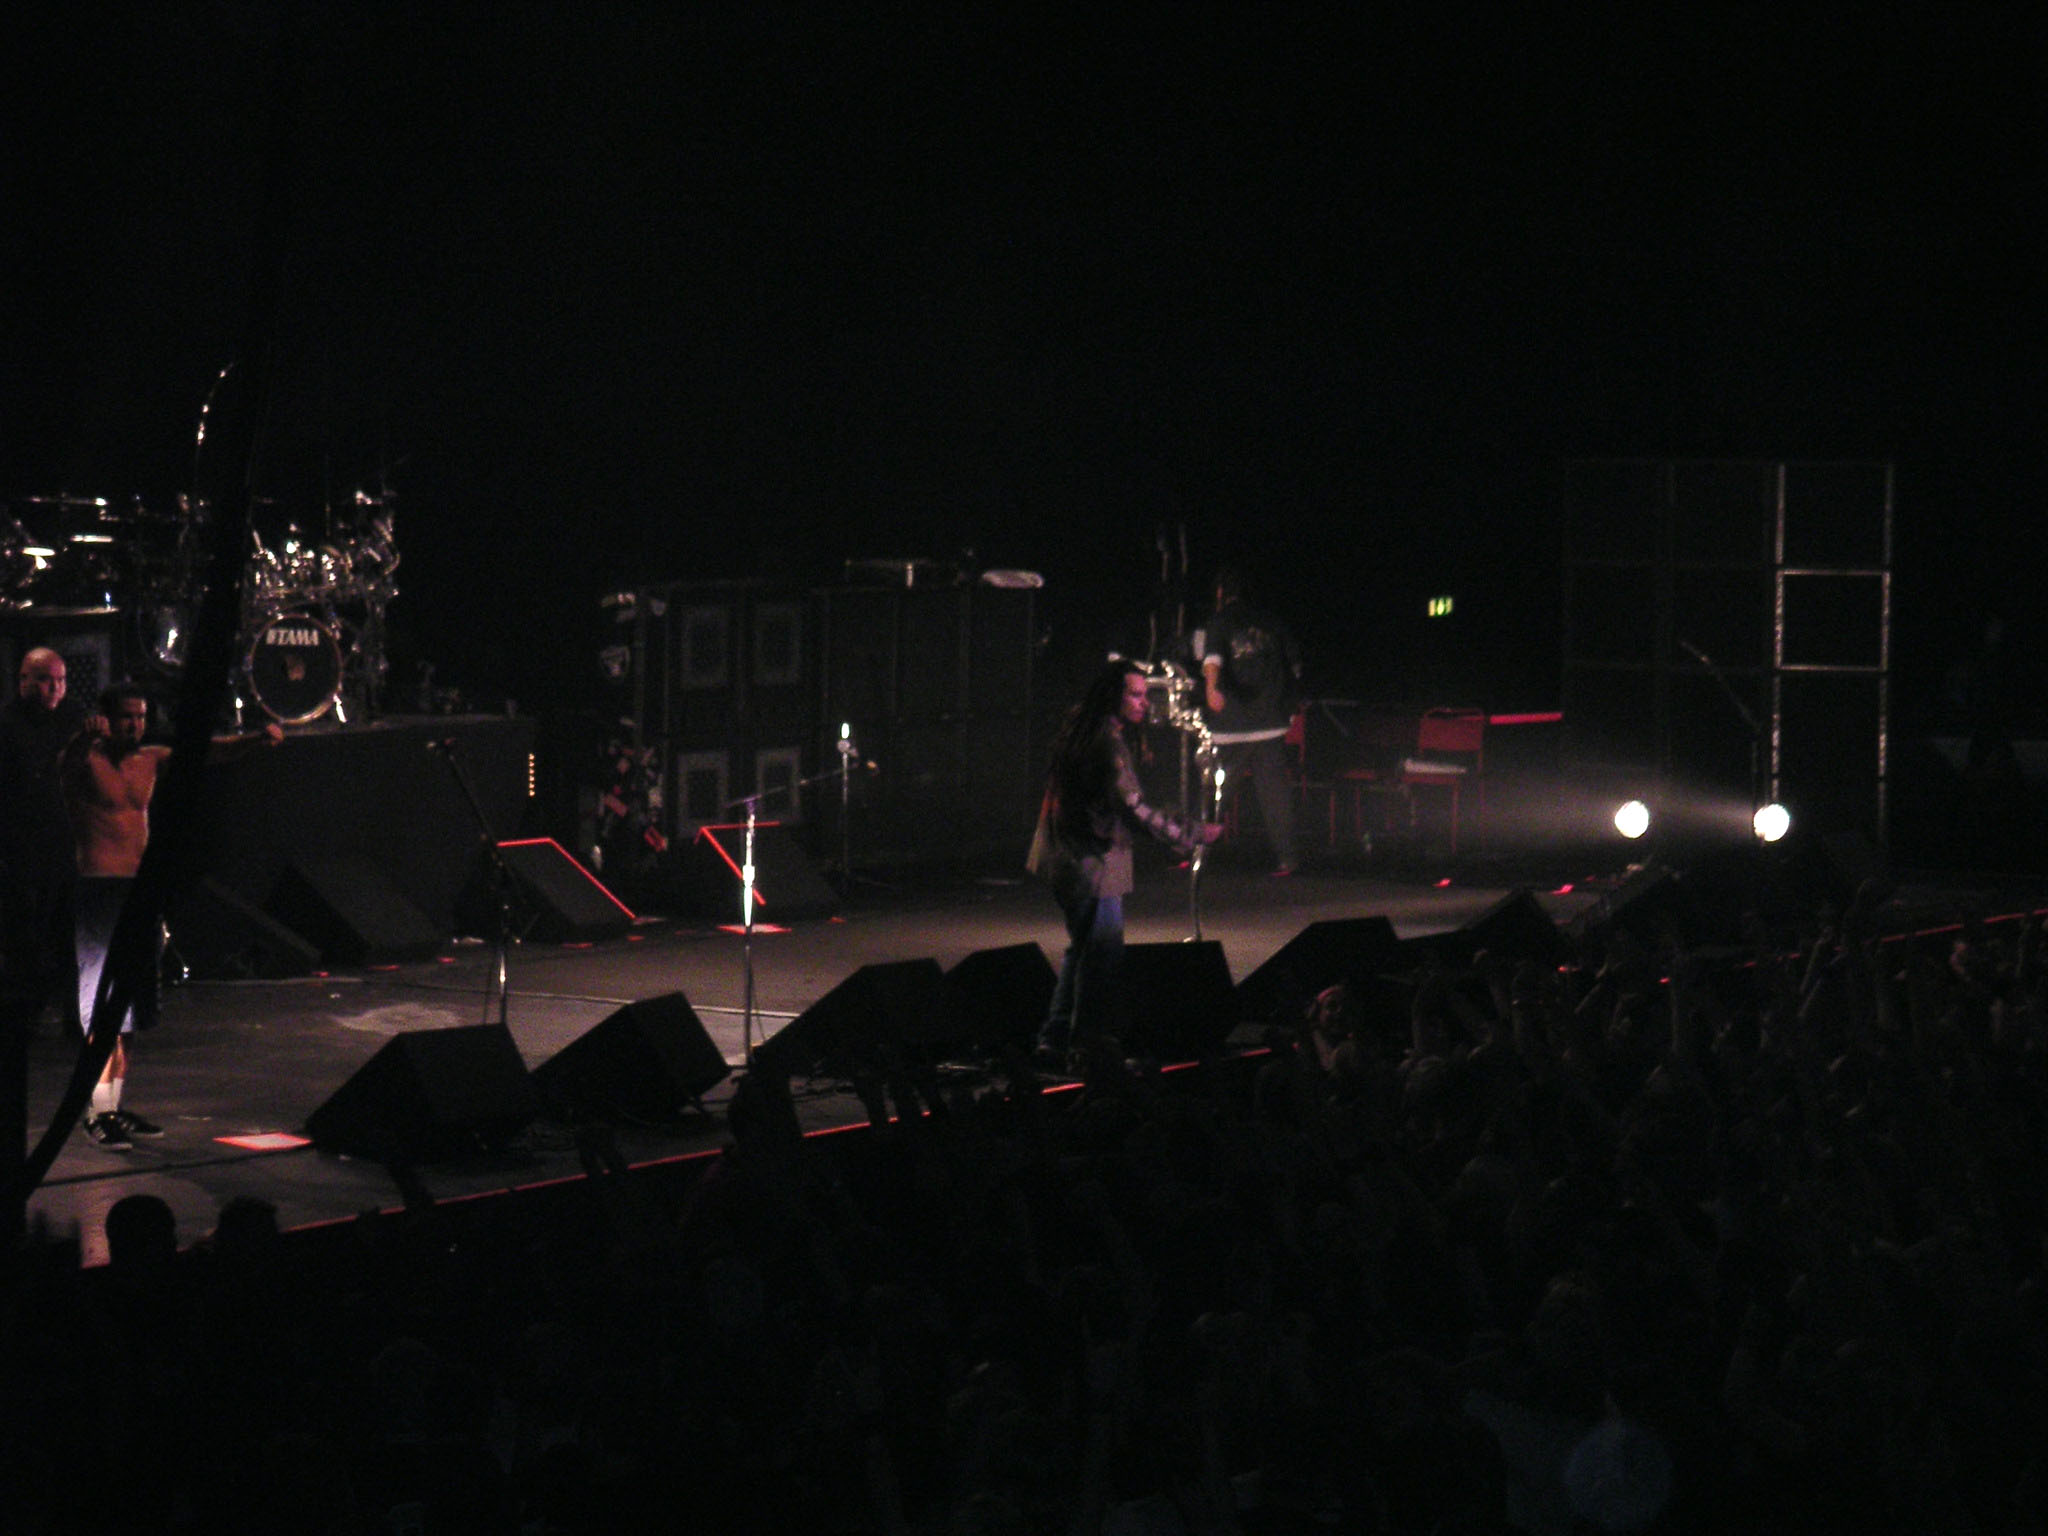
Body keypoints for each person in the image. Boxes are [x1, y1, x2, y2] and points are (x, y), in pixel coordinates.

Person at [61, 681, 283, 1149]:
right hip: (101, 893)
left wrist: (256, 739)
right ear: (107, 718)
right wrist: (84, 736)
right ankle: (95, 1113)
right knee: (101, 1009)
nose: (135, 725)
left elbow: (209, 751)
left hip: (142, 893)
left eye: (140, 716)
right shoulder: (86, 760)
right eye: (126, 716)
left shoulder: (149, 759)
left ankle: (112, 1107)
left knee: (131, 1008)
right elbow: (66, 763)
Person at [1025, 659, 1222, 1065]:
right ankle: (1087, 1048)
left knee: (1083, 952)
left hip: (1067, 858)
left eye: (1145, 694)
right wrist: (1192, 833)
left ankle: (1055, 1039)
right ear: (1113, 696)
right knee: (1100, 958)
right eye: (1135, 694)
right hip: (1091, 864)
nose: (1144, 703)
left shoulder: (1083, 733)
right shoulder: (1105, 743)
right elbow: (1133, 808)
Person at [1198, 566, 1303, 874]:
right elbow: (1295, 664)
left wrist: (1211, 689)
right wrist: (1289, 703)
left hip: (1232, 725)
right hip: (1270, 722)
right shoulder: (1272, 621)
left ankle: (1197, 852)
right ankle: (1288, 858)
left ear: (1221, 592)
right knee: (1275, 797)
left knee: (1216, 793)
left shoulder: (1219, 621)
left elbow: (1213, 660)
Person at [2, 647, 86, 1025]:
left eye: (60, 680)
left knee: (68, 933)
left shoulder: (73, 719)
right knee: (26, 937)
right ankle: (26, 1014)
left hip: (64, 846)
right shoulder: (7, 725)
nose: (55, 688)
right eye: (45, 680)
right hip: (21, 850)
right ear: (23, 681)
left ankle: (71, 1012)